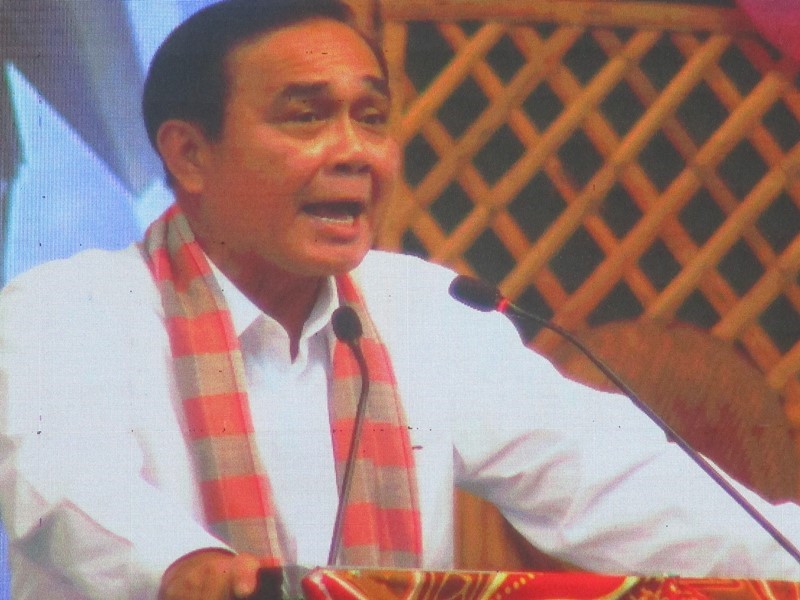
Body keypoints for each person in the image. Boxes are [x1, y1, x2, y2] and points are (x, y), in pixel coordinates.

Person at [1, 1, 800, 598]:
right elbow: (65, 479)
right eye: (307, 117)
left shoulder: (425, 309)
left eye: (372, 118)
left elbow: (614, 482)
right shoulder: (67, 307)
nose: (355, 152)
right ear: (189, 153)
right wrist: (184, 565)